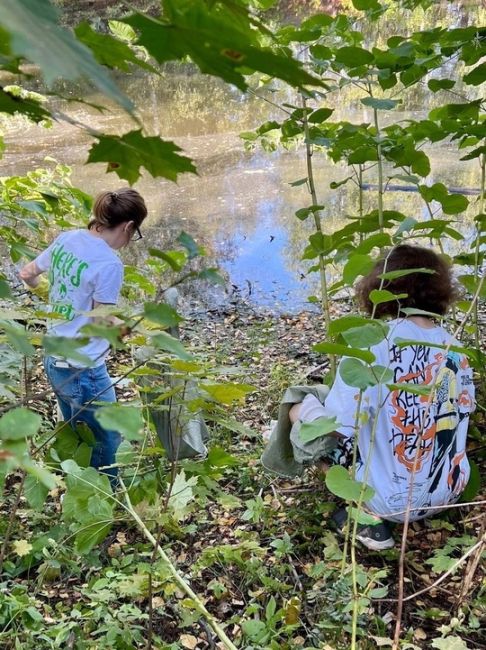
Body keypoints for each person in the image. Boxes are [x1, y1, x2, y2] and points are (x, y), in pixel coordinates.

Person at [280, 244, 475, 550]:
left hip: (390, 502)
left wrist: (301, 414)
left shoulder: (372, 345)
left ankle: (363, 514)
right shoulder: (456, 351)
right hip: (450, 490)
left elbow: (334, 429)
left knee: (300, 406)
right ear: (440, 291)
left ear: (380, 287)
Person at [19, 188, 147, 481]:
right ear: (128, 227)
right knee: (107, 440)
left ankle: (79, 485)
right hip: (85, 370)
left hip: (53, 359)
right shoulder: (109, 263)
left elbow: (27, 273)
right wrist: (138, 333)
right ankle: (108, 498)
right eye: (134, 233)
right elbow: (102, 323)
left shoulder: (68, 238)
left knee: (78, 432)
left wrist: (54, 302)